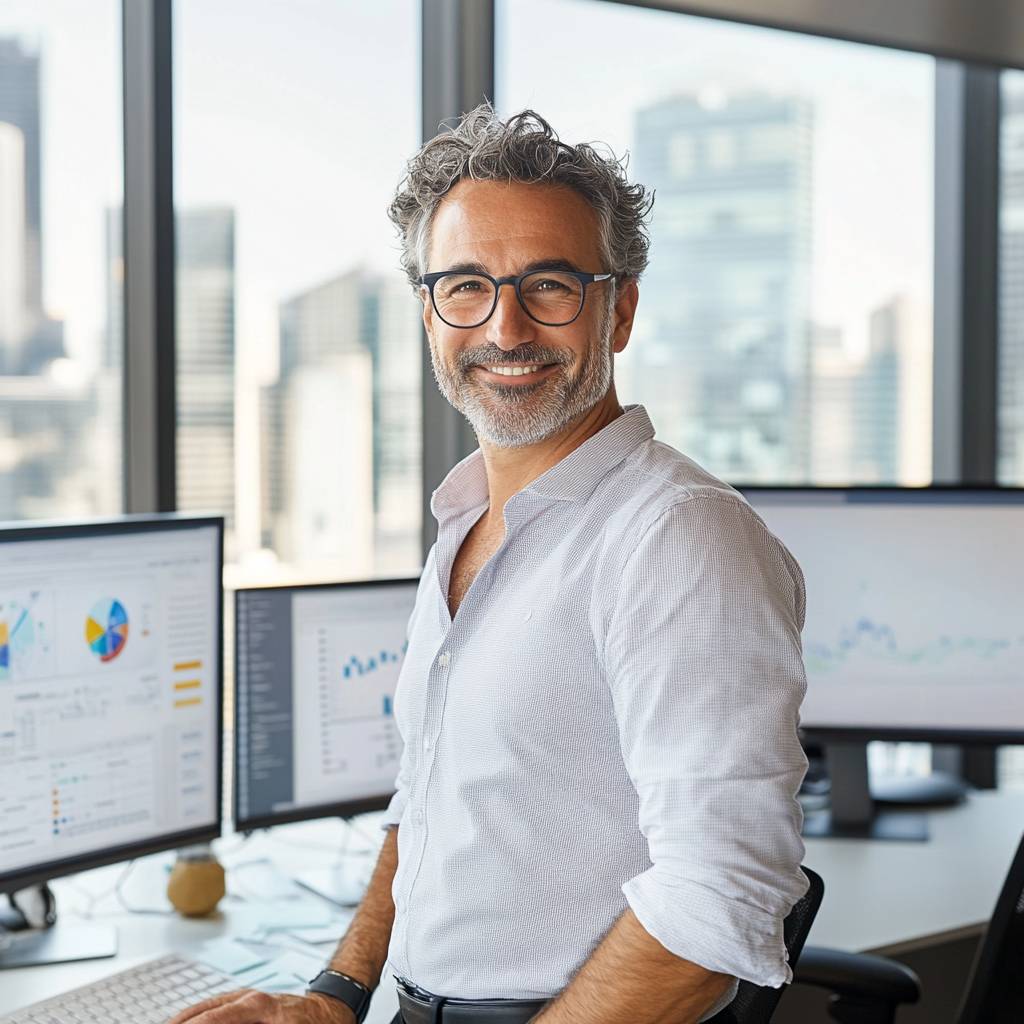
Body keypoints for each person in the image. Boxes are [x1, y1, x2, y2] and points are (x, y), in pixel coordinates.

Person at [170, 104, 809, 1024]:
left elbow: (719, 901)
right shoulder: (469, 518)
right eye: (465, 285)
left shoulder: (677, 538)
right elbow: (426, 795)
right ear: (430, 312)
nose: (504, 327)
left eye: (549, 285)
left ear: (618, 309)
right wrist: (340, 992)